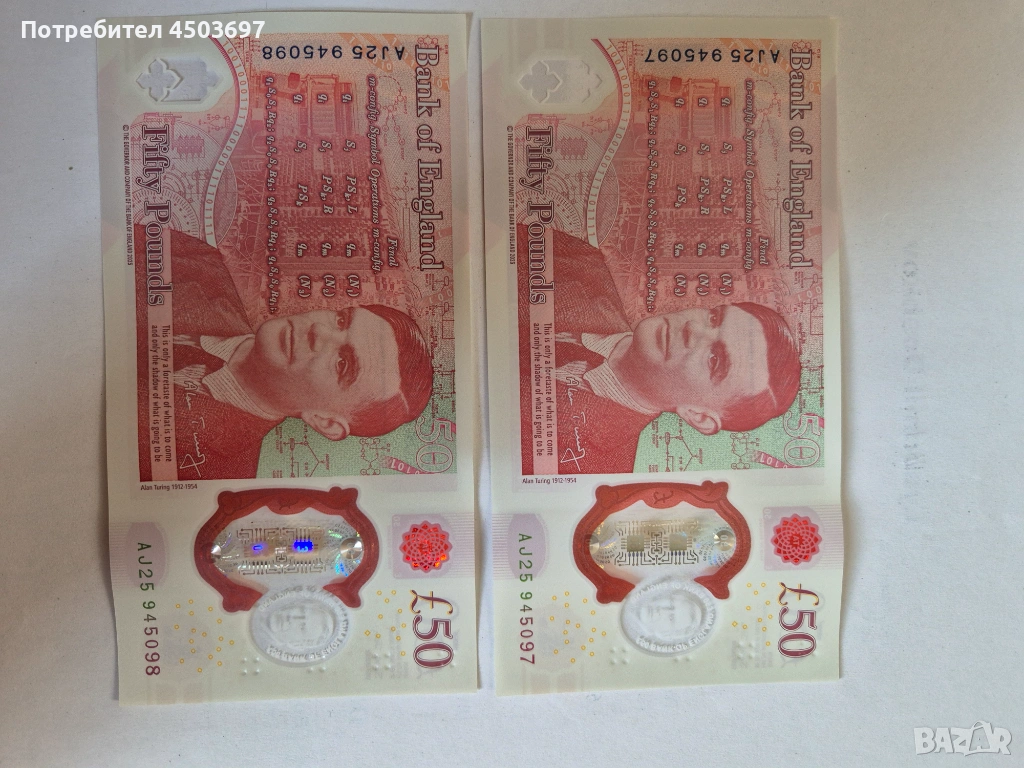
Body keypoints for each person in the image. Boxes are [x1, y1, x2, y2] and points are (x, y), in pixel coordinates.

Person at [136, 227, 433, 480]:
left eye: (342, 363)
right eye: (341, 320)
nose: (319, 330)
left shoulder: (214, 475)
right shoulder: (197, 265)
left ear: (325, 422)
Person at [517, 226, 801, 474]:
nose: (693, 328)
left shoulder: (591, 468)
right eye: (714, 317)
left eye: (715, 359)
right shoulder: (576, 263)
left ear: (698, 416)